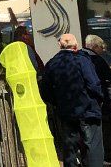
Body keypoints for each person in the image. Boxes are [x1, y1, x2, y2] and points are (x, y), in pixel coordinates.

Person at [40, 34, 103, 167]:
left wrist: (58, 102)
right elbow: (93, 83)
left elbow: (45, 90)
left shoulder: (52, 63)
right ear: (76, 45)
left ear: (59, 45)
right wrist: (98, 100)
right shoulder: (83, 60)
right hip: (88, 110)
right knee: (92, 147)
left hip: (66, 111)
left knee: (70, 148)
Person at [81, 35, 111, 105]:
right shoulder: (98, 60)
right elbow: (110, 76)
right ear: (95, 47)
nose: (103, 50)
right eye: (101, 47)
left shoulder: (78, 57)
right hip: (98, 97)